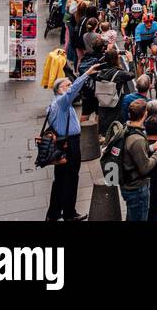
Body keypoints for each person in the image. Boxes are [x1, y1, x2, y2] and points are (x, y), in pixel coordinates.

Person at [43, 61, 98, 221]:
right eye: (68, 85)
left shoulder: (56, 104)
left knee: (60, 180)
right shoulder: (62, 102)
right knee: (71, 179)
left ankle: (53, 214)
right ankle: (69, 213)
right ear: (60, 90)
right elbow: (73, 91)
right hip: (69, 144)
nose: (71, 86)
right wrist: (87, 73)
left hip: (63, 143)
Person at [116, 98, 157, 221]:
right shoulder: (137, 139)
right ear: (144, 115)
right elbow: (145, 168)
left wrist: (153, 146)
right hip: (136, 188)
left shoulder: (128, 128)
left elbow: (137, 151)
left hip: (128, 184)